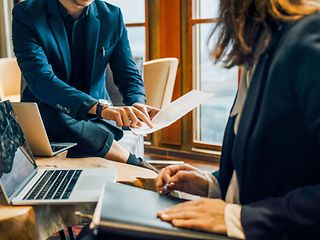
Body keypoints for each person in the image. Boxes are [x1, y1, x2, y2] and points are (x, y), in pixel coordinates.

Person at [156, 0, 320, 239]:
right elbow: (279, 166)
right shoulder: (261, 50)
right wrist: (212, 184)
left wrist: (240, 218)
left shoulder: (309, 34)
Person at [12, 0, 159, 171]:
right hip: (49, 116)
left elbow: (128, 74)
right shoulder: (27, 13)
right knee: (44, 109)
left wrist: (136, 102)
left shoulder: (112, 15)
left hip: (97, 123)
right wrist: (100, 108)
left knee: (66, 125)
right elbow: (42, 80)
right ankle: (128, 159)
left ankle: (92, 146)